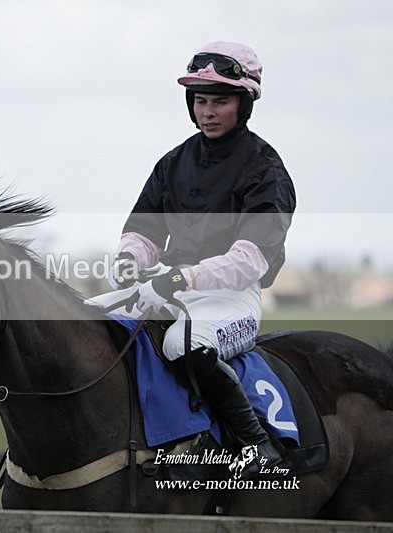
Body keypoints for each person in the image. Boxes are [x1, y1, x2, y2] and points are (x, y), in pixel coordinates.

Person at [109, 41, 296, 478]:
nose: (208, 111)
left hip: (232, 299)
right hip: (168, 284)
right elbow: (144, 231)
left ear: (244, 105)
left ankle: (257, 442)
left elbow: (251, 260)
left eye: (221, 101)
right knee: (88, 321)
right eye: (200, 100)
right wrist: (129, 258)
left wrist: (183, 278)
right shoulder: (173, 162)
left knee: (182, 344)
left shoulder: (266, 169)